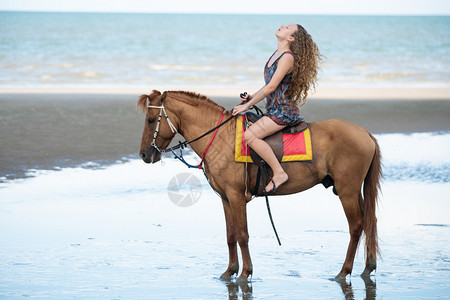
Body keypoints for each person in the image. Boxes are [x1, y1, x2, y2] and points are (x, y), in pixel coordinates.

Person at [232, 24, 321, 193]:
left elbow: (271, 88)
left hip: (283, 112)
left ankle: (279, 173)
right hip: (273, 109)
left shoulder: (287, 57)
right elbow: (268, 86)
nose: (282, 26)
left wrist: (247, 106)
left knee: (250, 136)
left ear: (291, 38)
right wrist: (251, 97)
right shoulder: (276, 55)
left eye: (287, 27)